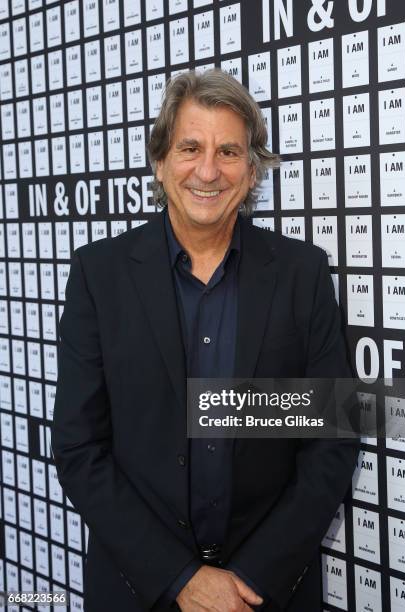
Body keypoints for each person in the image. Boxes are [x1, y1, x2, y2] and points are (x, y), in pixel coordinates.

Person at [51, 68, 360, 612]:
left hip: (268, 594)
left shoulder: (302, 274)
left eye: (230, 151)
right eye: (190, 147)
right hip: (137, 591)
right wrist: (181, 580)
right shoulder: (99, 276)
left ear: (253, 170)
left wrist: (251, 579)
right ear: (160, 161)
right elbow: (80, 449)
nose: (209, 171)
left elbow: (330, 443)